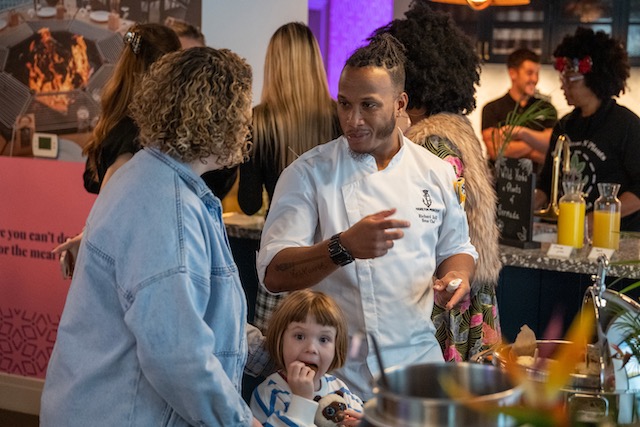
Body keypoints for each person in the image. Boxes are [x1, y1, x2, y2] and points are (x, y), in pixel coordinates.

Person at [40, 47, 261, 426]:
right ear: (221, 118)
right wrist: (239, 422)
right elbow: (176, 354)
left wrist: (266, 352)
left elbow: (186, 315)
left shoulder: (150, 177)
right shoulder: (168, 208)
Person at [256, 33, 478, 400]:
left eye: (368, 106)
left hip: (418, 368)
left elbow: (457, 247)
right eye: (344, 104)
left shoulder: (436, 173)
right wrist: (342, 248)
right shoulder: (308, 173)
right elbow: (274, 273)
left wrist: (457, 276)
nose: (352, 119)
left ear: (399, 103)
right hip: (338, 375)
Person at [373, 1, 502, 362]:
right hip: (467, 290)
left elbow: (424, 233)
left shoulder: (426, 142)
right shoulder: (456, 127)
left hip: (445, 296)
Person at [237, 22, 340, 331]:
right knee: (328, 352)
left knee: (281, 356)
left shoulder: (259, 121)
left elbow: (250, 203)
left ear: (274, 65)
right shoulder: (338, 117)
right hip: (331, 251)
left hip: (284, 255)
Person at [536, 27, 640, 232]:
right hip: (567, 233)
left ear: (595, 79)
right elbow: (548, 182)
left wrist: (594, 219)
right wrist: (524, 205)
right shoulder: (564, 125)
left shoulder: (625, 124)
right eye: (563, 80)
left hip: (616, 237)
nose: (564, 87)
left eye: (571, 80)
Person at [250, 290, 363, 427]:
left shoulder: (340, 388)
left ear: (336, 347)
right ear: (280, 340)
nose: (311, 348)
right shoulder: (269, 393)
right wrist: (301, 400)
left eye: (323, 339)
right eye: (299, 336)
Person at [165, 15, 240, 200]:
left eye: (198, 59)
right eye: (184, 59)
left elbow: (222, 183)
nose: (192, 69)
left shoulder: (221, 120)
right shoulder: (147, 122)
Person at [481, 48, 557, 171]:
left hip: (537, 185)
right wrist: (535, 145)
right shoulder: (492, 108)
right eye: (529, 73)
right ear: (513, 73)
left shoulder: (546, 108)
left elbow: (551, 148)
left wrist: (520, 136)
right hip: (500, 184)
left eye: (537, 73)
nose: (534, 79)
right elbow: (495, 151)